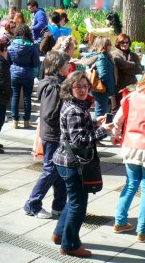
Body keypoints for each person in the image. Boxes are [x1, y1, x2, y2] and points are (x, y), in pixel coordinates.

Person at [52, 71, 112, 257]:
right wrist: (102, 131)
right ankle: (69, 245)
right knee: (79, 204)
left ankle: (59, 233)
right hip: (72, 163)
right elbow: (79, 140)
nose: (83, 90)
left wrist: (95, 123)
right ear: (70, 88)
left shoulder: (74, 105)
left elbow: (78, 129)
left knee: (74, 200)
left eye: (86, 86)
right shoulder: (74, 110)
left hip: (66, 161)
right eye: (78, 86)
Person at [112, 57, 145, 243]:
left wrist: (116, 134)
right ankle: (143, 231)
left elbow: (117, 120)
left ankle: (120, 222)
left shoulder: (132, 95)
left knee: (130, 184)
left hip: (130, 146)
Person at [23, 51, 70, 219]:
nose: (69, 66)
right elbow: (49, 114)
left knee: (60, 170)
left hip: (57, 134)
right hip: (53, 134)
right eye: (66, 64)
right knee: (51, 170)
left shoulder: (58, 83)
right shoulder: (53, 86)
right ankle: (32, 204)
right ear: (58, 66)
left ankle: (59, 206)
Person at [8, 24, 40, 129]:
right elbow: (36, 63)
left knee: (15, 97)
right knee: (27, 98)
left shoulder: (11, 44)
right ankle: (26, 121)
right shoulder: (32, 46)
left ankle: (15, 121)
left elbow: (8, 61)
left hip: (14, 74)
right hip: (28, 74)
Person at [85, 36, 116, 120]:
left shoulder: (95, 55)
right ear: (103, 45)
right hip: (101, 89)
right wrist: (110, 89)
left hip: (97, 88)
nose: (110, 46)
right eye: (108, 44)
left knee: (100, 111)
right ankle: (97, 130)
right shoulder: (101, 57)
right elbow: (103, 74)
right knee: (100, 113)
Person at [111, 34, 142, 111]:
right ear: (118, 43)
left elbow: (139, 70)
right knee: (118, 110)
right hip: (119, 89)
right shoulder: (114, 54)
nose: (125, 44)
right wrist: (133, 64)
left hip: (132, 88)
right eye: (122, 42)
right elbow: (121, 65)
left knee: (131, 111)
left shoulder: (134, 55)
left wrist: (124, 68)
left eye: (127, 42)